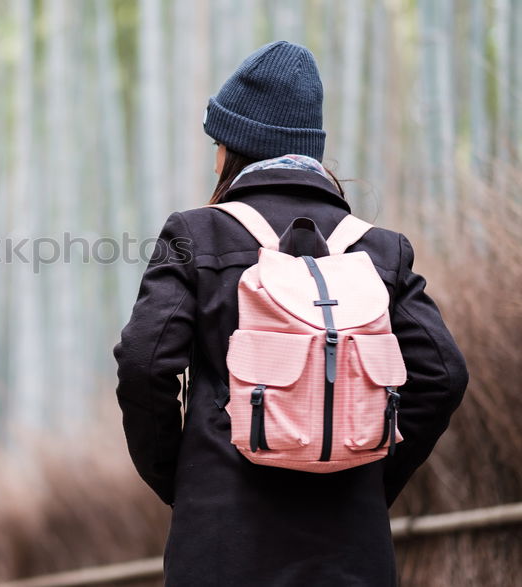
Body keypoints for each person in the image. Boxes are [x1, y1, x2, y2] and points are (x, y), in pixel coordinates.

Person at [114, 41, 469, 586]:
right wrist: (368, 469)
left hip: (221, 541)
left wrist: (183, 476)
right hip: (351, 547)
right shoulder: (378, 249)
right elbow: (443, 376)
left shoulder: (196, 234)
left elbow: (144, 364)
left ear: (234, 148)